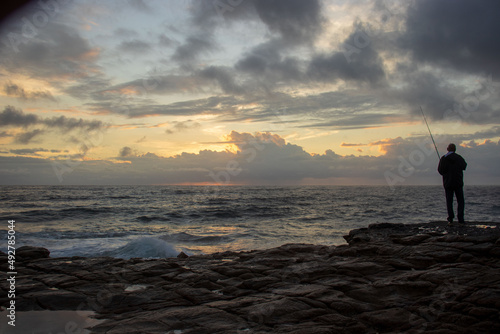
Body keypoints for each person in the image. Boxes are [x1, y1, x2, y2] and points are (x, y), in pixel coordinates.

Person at [437, 143, 467, 225]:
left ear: (447, 149)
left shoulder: (443, 158)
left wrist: (445, 174)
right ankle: (460, 218)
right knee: (460, 201)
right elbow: (464, 166)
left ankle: (450, 218)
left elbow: (440, 170)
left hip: (448, 183)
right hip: (458, 182)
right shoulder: (459, 158)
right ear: (455, 149)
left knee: (449, 201)